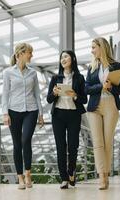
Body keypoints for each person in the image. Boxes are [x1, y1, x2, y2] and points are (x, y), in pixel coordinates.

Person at [2, 43, 44, 189]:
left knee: (26, 140)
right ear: (20, 54)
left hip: (31, 110)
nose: (31, 55)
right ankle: (19, 177)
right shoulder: (8, 73)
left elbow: (37, 94)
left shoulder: (33, 73)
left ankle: (28, 173)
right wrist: (5, 113)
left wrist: (41, 113)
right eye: (29, 53)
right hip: (13, 111)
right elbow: (5, 94)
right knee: (17, 144)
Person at [85, 37, 120, 190]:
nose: (92, 50)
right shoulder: (92, 67)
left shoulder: (116, 66)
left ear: (102, 47)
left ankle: (106, 174)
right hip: (94, 106)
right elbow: (86, 89)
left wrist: (110, 88)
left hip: (110, 106)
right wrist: (101, 86)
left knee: (107, 142)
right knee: (97, 143)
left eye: (94, 47)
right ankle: (102, 176)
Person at [47, 50, 87, 189]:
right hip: (58, 115)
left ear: (73, 59)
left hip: (73, 115)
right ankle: (64, 178)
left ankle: (71, 172)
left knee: (73, 146)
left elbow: (84, 99)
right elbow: (48, 99)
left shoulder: (80, 78)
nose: (63, 59)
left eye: (66, 56)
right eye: (61, 57)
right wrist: (54, 93)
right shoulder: (55, 78)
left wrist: (75, 95)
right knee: (60, 147)